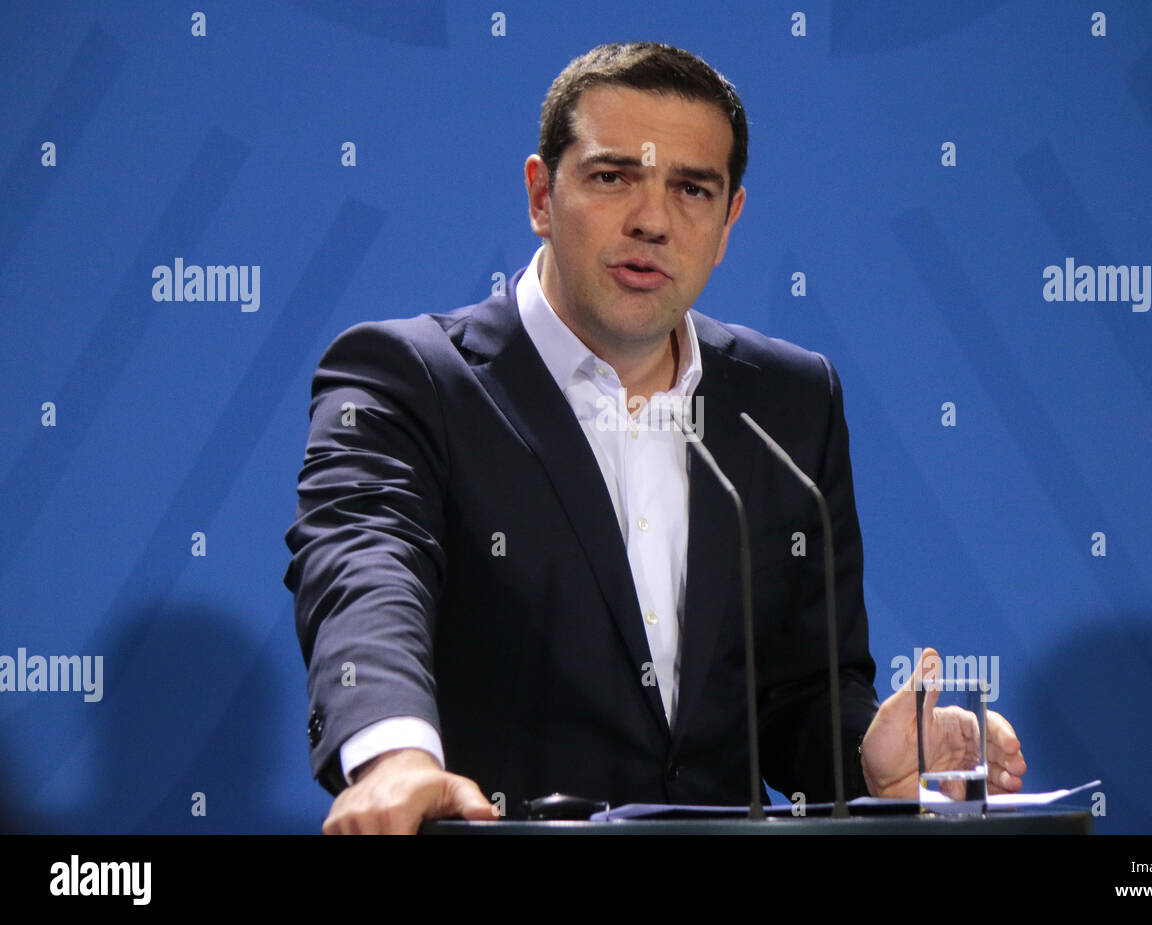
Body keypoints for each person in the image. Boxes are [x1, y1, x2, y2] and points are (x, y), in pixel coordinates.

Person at [283, 42, 1026, 835]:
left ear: (729, 217)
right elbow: (363, 571)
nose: (652, 221)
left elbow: (801, 691)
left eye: (692, 189)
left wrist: (869, 759)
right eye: (612, 178)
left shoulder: (790, 401)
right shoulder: (409, 378)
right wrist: (395, 756)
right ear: (541, 194)